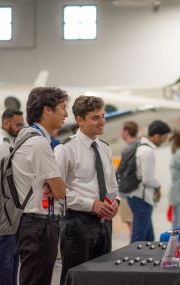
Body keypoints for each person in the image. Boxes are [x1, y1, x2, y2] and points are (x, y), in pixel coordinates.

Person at [54, 95, 119, 285]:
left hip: (105, 223)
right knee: (75, 278)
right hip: (77, 223)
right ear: (80, 120)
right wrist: (92, 205)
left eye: (103, 116)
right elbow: (58, 192)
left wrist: (115, 202)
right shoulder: (65, 149)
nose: (102, 122)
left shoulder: (105, 148)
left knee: (101, 277)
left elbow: (112, 184)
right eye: (96, 118)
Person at [12, 87, 68, 285]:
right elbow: (60, 191)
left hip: (29, 222)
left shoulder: (24, 137)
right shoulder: (39, 144)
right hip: (39, 224)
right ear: (47, 109)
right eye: (62, 108)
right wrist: (55, 184)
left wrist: (53, 183)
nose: (66, 114)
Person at [127, 120, 171, 242]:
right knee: (139, 238)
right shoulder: (147, 151)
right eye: (164, 137)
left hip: (137, 196)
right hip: (141, 198)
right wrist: (159, 186)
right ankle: (133, 260)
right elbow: (147, 179)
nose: (165, 141)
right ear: (156, 136)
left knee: (148, 237)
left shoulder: (140, 147)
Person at [0, 109, 24, 285]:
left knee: (13, 260)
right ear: (6, 122)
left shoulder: (13, 142)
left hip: (14, 212)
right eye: (18, 124)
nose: (21, 127)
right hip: (4, 214)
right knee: (4, 264)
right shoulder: (1, 144)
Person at [118, 121, 139, 236]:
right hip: (136, 190)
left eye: (122, 130)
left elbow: (121, 171)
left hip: (127, 191)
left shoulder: (128, 149)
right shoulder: (139, 145)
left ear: (126, 132)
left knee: (131, 225)